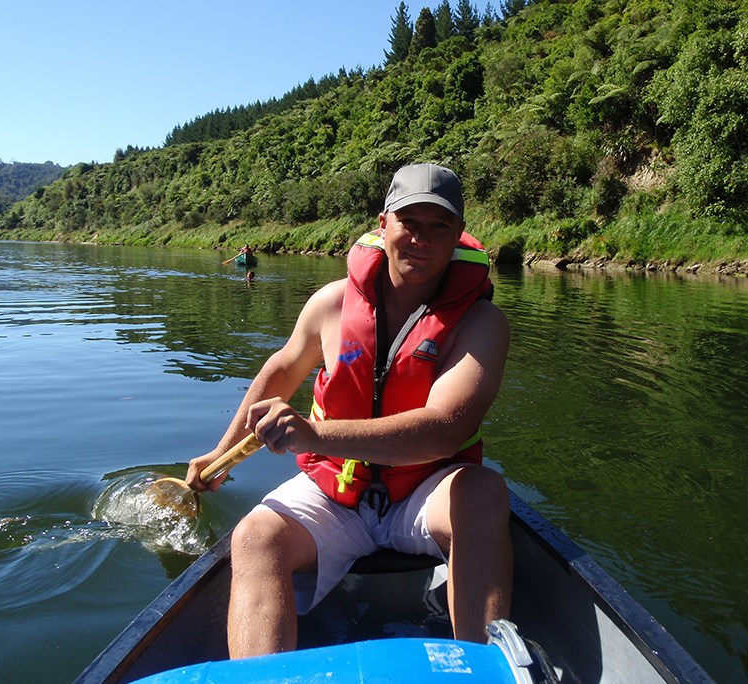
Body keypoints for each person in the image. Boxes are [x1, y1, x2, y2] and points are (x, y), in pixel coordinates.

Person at [185, 163, 512, 658]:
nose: (421, 240)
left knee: (483, 493)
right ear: (383, 224)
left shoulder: (482, 322)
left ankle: (482, 664)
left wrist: (314, 435)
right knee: (254, 537)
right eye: (409, 223)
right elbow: (282, 369)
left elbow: (445, 430)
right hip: (335, 490)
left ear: (457, 234)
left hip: (425, 490)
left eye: (438, 227)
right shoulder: (333, 303)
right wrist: (221, 452)